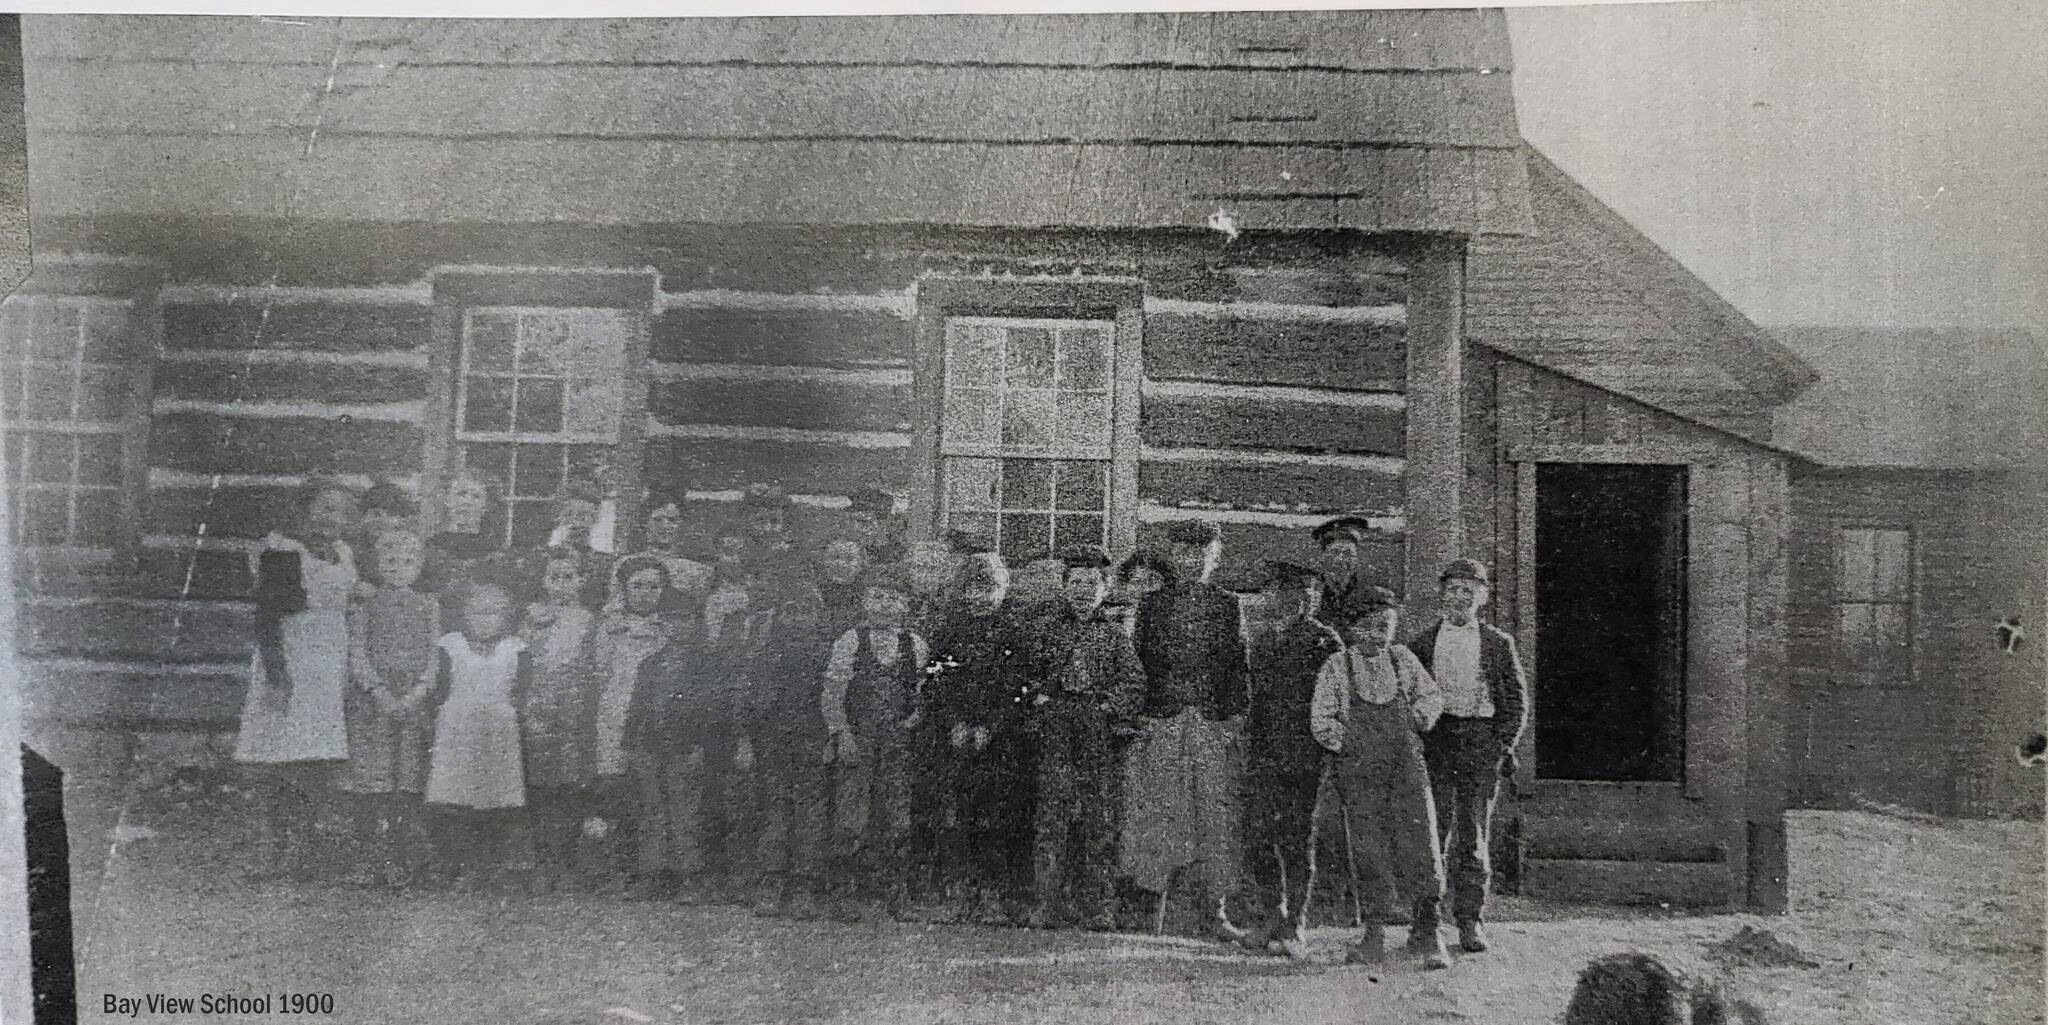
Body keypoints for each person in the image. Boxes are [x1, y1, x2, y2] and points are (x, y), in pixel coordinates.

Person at [1122, 520, 1254, 940]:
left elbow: (1239, 668)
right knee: (1161, 818)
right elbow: (1136, 665)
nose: (1193, 561)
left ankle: (1215, 914)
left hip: (1210, 724)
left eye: (1202, 554)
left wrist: (1233, 720)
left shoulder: (1228, 606)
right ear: (1174, 557)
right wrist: (1141, 716)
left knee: (1214, 820)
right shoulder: (1152, 606)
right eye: (1184, 554)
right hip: (1162, 722)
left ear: (1214, 559)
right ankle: (1152, 916)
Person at [1309, 586, 1450, 969]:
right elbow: (1322, 720)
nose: (1377, 634)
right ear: (1353, 629)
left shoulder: (1403, 659)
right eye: (1369, 627)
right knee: (1369, 847)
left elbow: (1431, 696)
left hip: (1406, 769)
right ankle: (1374, 932)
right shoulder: (1338, 666)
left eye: (1385, 626)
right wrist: (1349, 745)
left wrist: (1422, 717)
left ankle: (1427, 929)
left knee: (1420, 839)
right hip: (1360, 772)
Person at [234, 476, 361, 881]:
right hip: (290, 661)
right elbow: (268, 619)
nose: (332, 518)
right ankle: (271, 850)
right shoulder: (283, 551)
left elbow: (349, 598)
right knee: (276, 757)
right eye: (324, 508)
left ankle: (301, 853)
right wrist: (276, 677)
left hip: (328, 665)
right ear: (304, 509)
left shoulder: (344, 553)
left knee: (313, 759)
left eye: (341, 512)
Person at [1017, 544, 1146, 931]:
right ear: (1064, 585)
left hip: (1095, 729)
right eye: (1076, 581)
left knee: (1098, 820)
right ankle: (1046, 903)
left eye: (1092, 582)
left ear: (1104, 588)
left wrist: (1109, 707)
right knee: (1051, 819)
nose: (1083, 589)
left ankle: (1099, 906)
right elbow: (1022, 673)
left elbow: (1134, 681)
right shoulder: (1045, 627)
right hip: (1055, 726)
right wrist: (1038, 698)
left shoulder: (1114, 634)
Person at [1407, 558, 1528, 954]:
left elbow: (1515, 702)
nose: (1460, 598)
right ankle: (1425, 923)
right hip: (1438, 741)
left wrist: (1501, 744)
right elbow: (1409, 698)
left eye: (1468, 591)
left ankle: (1469, 920)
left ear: (1481, 597)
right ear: (1442, 596)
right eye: (1453, 590)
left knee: (1473, 835)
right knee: (1432, 832)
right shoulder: (1422, 643)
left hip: (1480, 740)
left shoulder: (1497, 643)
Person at [1240, 559, 1346, 959]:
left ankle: (1295, 923)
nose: (1294, 603)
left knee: (1297, 840)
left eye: (1304, 595)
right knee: (1260, 837)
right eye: (1282, 594)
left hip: (1305, 757)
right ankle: (1271, 914)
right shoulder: (1263, 641)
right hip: (1265, 755)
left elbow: (1335, 703)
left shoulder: (1325, 642)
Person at [922, 551, 1032, 924]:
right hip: (955, 737)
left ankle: (993, 895)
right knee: (957, 815)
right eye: (974, 589)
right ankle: (959, 894)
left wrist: (991, 725)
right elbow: (935, 681)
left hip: (1000, 740)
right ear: (963, 591)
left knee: (997, 817)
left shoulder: (1014, 633)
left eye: (990, 589)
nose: (981, 597)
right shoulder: (949, 632)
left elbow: (1020, 688)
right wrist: (954, 722)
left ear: (1003, 590)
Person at [820, 564, 930, 922]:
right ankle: (843, 892)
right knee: (852, 815)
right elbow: (833, 693)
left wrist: (915, 717)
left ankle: (894, 894)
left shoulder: (914, 644)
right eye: (877, 596)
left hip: (897, 739)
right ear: (865, 601)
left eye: (893, 598)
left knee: (896, 816)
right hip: (859, 735)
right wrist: (842, 733)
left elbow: (920, 692)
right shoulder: (851, 640)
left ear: (904, 605)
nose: (884, 605)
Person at [340, 526, 440, 887]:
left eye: (408, 561)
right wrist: (377, 689)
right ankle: (369, 859)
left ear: (420, 566)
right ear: (377, 563)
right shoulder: (365, 603)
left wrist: (417, 693)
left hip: (413, 703)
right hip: (373, 705)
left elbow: (433, 656)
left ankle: (400, 857)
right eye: (391, 560)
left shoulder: (428, 605)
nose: (399, 567)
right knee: (373, 783)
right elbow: (358, 653)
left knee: (406, 782)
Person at [423, 576, 534, 892]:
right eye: (478, 612)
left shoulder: (515, 648)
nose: (486, 620)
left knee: (494, 800)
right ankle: (454, 863)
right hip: (457, 729)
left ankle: (490, 865)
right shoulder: (451, 645)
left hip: (498, 730)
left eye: (494, 613)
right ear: (463, 614)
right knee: (454, 798)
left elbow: (522, 690)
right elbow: (439, 688)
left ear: (507, 617)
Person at [744, 563, 835, 918]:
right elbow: (752, 700)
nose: (798, 618)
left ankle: (805, 882)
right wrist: (748, 739)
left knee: (810, 812)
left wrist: (830, 737)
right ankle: (772, 879)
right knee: (774, 810)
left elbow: (836, 697)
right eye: (790, 611)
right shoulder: (767, 653)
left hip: (812, 739)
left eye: (806, 611)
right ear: (780, 615)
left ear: (818, 614)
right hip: (773, 742)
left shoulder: (826, 652)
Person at [622, 600, 723, 903]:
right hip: (651, 746)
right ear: (661, 624)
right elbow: (637, 705)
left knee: (685, 812)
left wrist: (702, 747)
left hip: (685, 747)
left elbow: (710, 712)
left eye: (686, 619)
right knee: (652, 810)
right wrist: (628, 745)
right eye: (671, 619)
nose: (678, 626)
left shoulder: (706, 664)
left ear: (695, 623)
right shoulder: (650, 663)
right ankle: (653, 874)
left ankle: (688, 877)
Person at [589, 556, 677, 886]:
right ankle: (618, 866)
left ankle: (653, 869)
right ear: (623, 590)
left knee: (651, 793)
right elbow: (599, 676)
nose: (645, 593)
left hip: (652, 721)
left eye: (654, 586)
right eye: (637, 586)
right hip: (614, 716)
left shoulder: (667, 631)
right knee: (617, 791)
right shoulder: (610, 629)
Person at [519, 547, 603, 892]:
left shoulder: (588, 620)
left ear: (581, 581)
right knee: (540, 788)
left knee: (570, 788)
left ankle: (568, 861)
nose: (562, 584)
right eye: (555, 577)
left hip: (574, 712)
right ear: (544, 580)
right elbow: (523, 666)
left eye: (569, 577)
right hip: (537, 711)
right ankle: (543, 860)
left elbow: (591, 669)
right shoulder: (532, 618)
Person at [616, 488, 714, 606]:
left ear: (681, 525)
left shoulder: (696, 571)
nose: (665, 526)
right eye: (657, 520)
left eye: (672, 520)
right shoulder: (625, 563)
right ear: (645, 523)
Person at [420, 467, 502, 596]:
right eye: (461, 493)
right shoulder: (431, 546)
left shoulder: (493, 550)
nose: (467, 502)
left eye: (476, 496)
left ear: (485, 506)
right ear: (447, 499)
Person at [1311, 515, 1380, 617]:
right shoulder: (1312, 592)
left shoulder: (1370, 596)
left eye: (1348, 553)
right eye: (1334, 552)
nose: (1340, 560)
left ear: (1356, 559)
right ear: (1322, 558)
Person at [845, 486, 906, 564]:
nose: (861, 527)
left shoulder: (893, 546)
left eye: (864, 522)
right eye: (857, 521)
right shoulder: (852, 548)